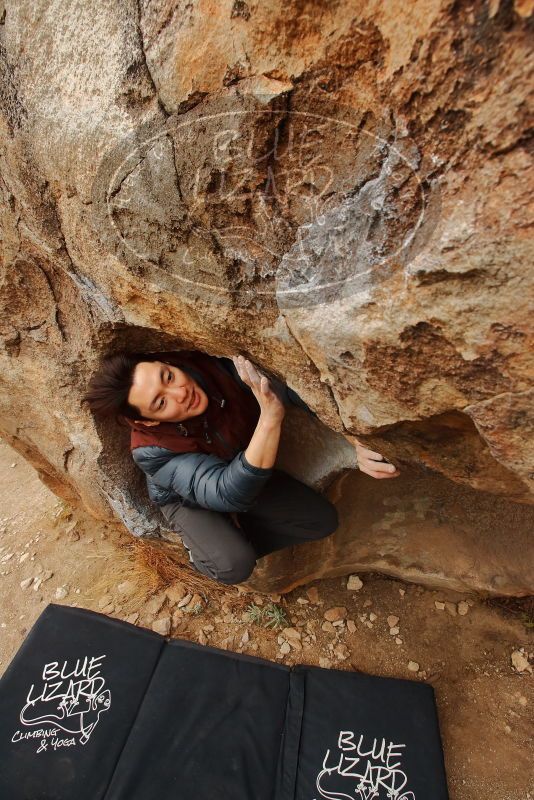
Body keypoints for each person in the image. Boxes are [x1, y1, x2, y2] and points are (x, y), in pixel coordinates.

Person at [82, 349, 400, 585]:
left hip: (237, 466)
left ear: (168, 363)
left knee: (320, 521)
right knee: (233, 565)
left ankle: (235, 536)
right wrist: (271, 415)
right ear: (147, 419)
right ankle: (209, 552)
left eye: (169, 376)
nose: (181, 393)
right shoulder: (152, 451)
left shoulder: (214, 369)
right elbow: (225, 492)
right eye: (161, 403)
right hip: (187, 499)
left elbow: (292, 387)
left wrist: (352, 439)